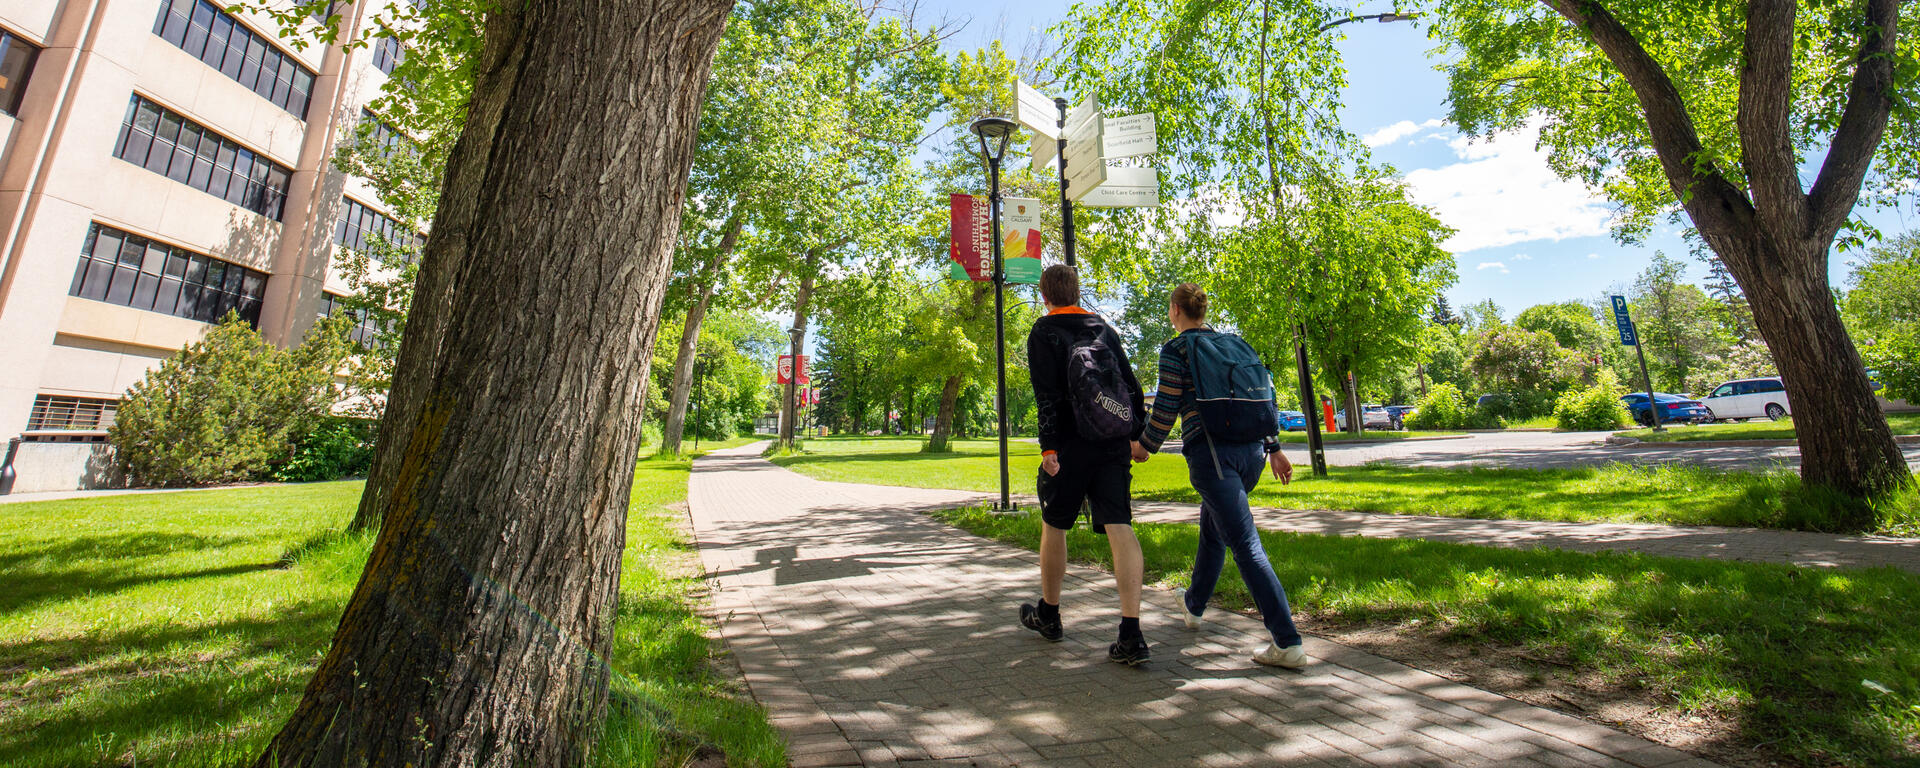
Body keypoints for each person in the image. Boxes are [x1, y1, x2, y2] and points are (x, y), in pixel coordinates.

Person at [1131, 283, 1310, 669]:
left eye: (1169, 308)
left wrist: (1145, 445)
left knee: (1245, 544)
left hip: (1213, 457)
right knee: (1213, 528)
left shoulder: (1177, 349)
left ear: (1176, 310)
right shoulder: (1234, 344)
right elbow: (1263, 397)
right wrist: (1274, 448)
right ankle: (1193, 605)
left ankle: (1287, 641)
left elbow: (1166, 406)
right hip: (1251, 456)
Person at [1020, 264, 1152, 666]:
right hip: (1112, 443)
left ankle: (1051, 614)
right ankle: (1131, 633)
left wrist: (1048, 449)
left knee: (1055, 524)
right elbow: (1131, 387)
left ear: (1045, 295)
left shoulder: (1043, 332)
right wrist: (1136, 435)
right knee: (1120, 525)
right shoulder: (1104, 329)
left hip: (1070, 446)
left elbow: (1046, 396)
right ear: (1076, 292)